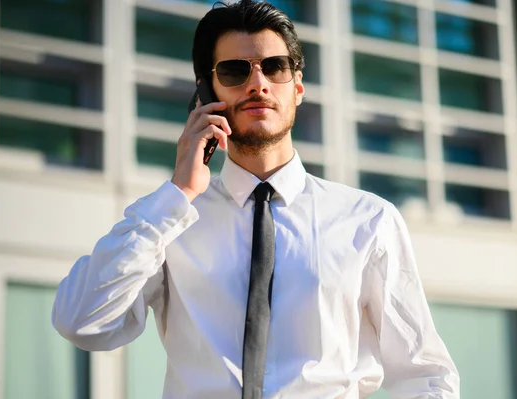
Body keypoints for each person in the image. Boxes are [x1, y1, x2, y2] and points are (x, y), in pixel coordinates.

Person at [52, 1, 459, 398]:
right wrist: (177, 194)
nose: (258, 83)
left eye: (274, 67)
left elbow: (426, 375)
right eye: (234, 70)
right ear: (206, 92)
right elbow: (83, 322)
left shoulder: (368, 220)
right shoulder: (170, 221)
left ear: (297, 88)